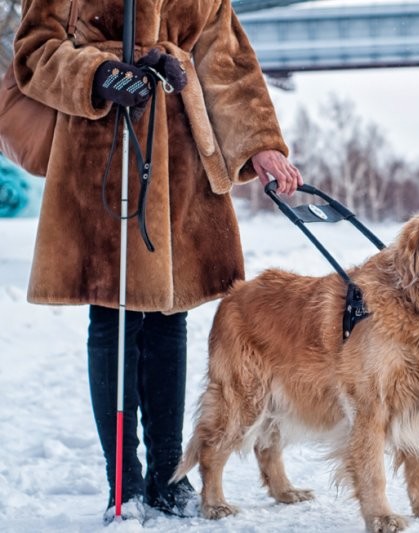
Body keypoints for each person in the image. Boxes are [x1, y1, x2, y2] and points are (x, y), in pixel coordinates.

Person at [13, 0, 302, 524]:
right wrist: (95, 73)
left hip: (180, 163)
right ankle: (120, 483)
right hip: (99, 158)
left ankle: (169, 476)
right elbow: (33, 51)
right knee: (112, 317)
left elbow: (226, 60)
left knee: (171, 317)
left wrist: (260, 145)